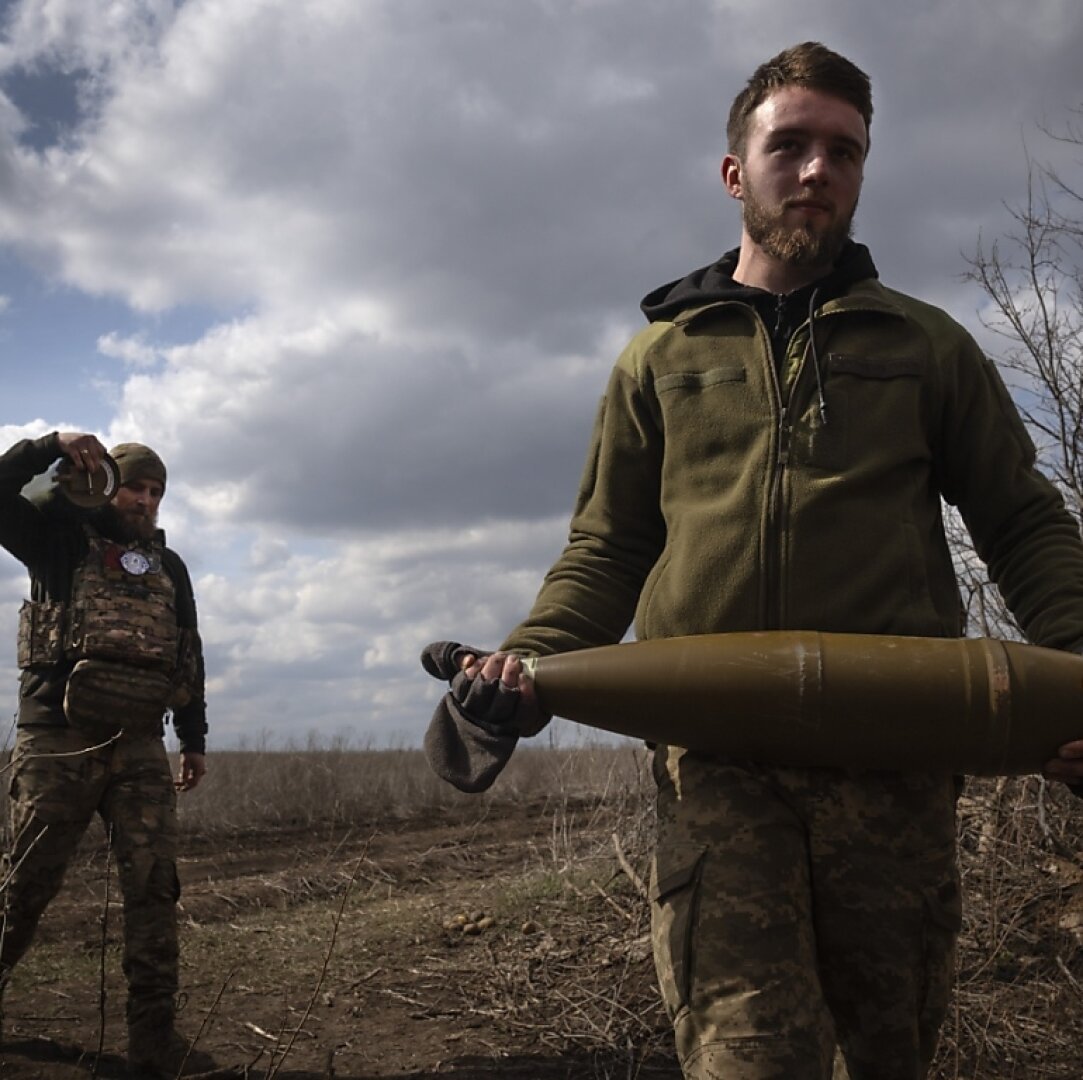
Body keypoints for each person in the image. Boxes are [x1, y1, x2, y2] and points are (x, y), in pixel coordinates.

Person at [422, 42, 1083, 1080]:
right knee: (745, 1059)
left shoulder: (928, 348)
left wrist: (1078, 674)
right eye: (792, 145)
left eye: (844, 151)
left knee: (891, 1054)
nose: (818, 169)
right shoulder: (659, 360)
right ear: (737, 170)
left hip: (897, 768)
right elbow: (608, 547)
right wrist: (527, 664)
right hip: (717, 773)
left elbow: (1024, 524)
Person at [0, 430, 211, 1078]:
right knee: (25, 887)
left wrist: (193, 737)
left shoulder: (167, 567)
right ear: (108, 485)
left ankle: (154, 1039)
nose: (145, 500)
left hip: (141, 743)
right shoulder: (58, 536)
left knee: (153, 889)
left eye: (156, 491)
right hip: (59, 738)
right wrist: (50, 447)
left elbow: (187, 650)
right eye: (135, 486)